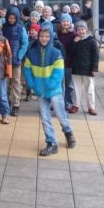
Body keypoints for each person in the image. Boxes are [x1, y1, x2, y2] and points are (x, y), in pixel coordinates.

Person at [24, 27, 76, 156]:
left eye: (47, 36)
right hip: (40, 90)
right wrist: (32, 85)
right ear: (38, 37)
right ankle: (51, 143)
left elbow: (58, 73)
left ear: (51, 37)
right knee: (45, 117)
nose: (44, 39)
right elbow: (27, 69)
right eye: (42, 36)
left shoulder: (56, 53)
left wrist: (50, 86)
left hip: (54, 91)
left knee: (60, 114)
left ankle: (68, 132)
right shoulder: (32, 53)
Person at [67, 20, 99, 115]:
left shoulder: (92, 41)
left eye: (82, 29)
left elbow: (95, 56)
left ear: (86, 29)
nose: (81, 31)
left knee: (89, 89)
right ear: (76, 31)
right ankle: (75, 105)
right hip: (76, 68)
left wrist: (94, 68)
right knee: (76, 89)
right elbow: (69, 52)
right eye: (79, 29)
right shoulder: (75, 40)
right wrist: (74, 42)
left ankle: (91, 107)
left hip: (88, 69)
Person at [1, 6, 28, 116]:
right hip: (5, 61)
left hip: (16, 61)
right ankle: (6, 102)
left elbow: (25, 43)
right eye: (10, 18)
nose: (11, 20)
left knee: (16, 82)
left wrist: (19, 56)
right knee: (6, 83)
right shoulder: (3, 28)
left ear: (17, 18)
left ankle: (16, 104)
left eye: (14, 18)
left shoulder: (21, 28)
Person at [56, 13, 76, 110]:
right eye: (64, 21)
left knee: (69, 85)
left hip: (69, 63)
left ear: (70, 23)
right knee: (58, 84)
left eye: (68, 21)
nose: (66, 23)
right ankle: (57, 103)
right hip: (58, 62)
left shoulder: (74, 35)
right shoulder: (57, 34)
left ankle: (68, 103)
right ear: (61, 22)